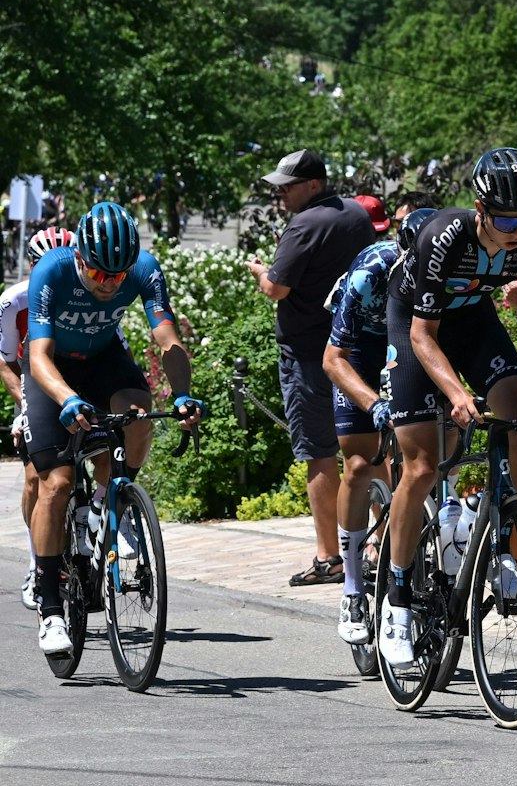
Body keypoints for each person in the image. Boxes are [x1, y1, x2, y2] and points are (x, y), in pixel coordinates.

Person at [377, 148, 517, 670]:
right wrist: (456, 394)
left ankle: (500, 537)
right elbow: (422, 335)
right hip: (415, 323)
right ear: (480, 207)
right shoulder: (444, 237)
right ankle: (398, 597)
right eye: (506, 219)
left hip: (472, 319)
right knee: (423, 465)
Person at [22, 203, 203, 656]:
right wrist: (66, 399)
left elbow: (167, 336)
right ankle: (48, 606)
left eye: (119, 277)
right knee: (56, 482)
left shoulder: (143, 269)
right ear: (81, 258)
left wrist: (181, 393)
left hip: (103, 360)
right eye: (101, 275)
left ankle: (113, 503)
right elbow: (39, 354)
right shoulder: (53, 270)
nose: (110, 285)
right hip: (52, 369)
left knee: (140, 410)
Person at [246, 150, 378, 587]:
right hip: (358, 349)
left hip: (307, 353)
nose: (280, 192)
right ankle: (381, 543)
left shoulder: (305, 224)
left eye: (288, 184)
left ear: (314, 184)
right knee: (367, 448)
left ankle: (330, 557)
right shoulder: (357, 215)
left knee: (319, 454)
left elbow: (278, 288)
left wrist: (261, 273)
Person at [320, 208, 434, 646]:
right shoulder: (370, 273)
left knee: (429, 447)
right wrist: (372, 403)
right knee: (360, 460)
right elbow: (334, 360)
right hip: (359, 348)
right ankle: (351, 587)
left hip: (409, 339)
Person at [4, 227, 76, 612]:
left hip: (76, 385)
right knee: (36, 476)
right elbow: (5, 362)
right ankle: (38, 564)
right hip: (32, 388)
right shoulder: (13, 300)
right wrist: (23, 408)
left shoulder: (82, 296)